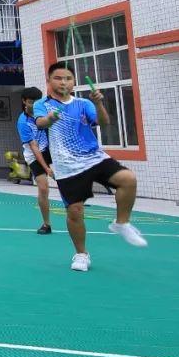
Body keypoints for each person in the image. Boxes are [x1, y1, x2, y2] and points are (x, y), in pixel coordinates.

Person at [33, 62, 146, 272]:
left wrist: (100, 103)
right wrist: (50, 118)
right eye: (58, 78)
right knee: (75, 212)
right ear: (49, 81)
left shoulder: (84, 103)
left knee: (128, 180)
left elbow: (103, 121)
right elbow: (40, 123)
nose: (63, 82)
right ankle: (81, 254)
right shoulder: (43, 104)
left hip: (94, 157)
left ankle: (121, 223)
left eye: (67, 78)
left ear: (74, 82)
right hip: (67, 166)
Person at [16, 86, 53, 234]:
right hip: (35, 154)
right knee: (43, 188)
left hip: (51, 148)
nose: (34, 105)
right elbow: (34, 146)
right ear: (24, 101)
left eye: (37, 101)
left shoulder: (45, 111)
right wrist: (46, 168)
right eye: (31, 102)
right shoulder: (23, 122)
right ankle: (46, 224)